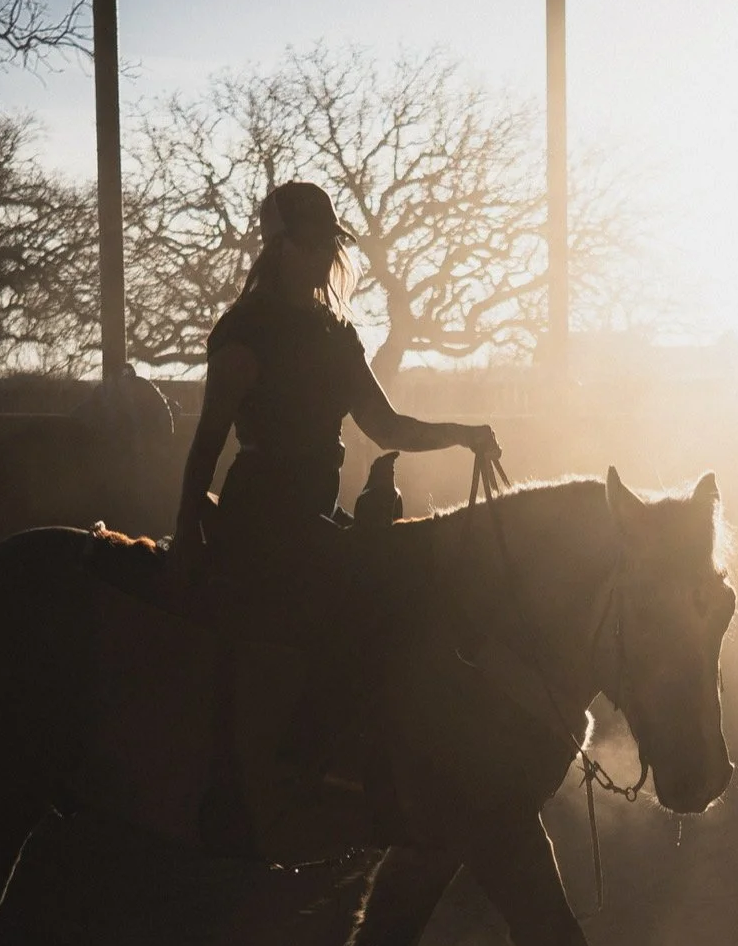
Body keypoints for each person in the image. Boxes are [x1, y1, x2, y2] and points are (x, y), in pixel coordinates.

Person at [171, 180, 506, 620]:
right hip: (261, 520)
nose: (324, 253)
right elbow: (208, 440)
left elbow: (386, 426)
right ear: (279, 247)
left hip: (317, 511)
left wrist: (465, 436)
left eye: (328, 241)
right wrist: (185, 534)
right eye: (311, 242)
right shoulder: (245, 332)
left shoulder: (335, 333)